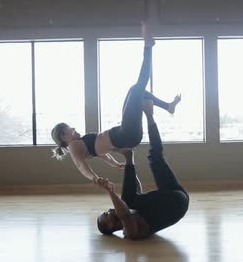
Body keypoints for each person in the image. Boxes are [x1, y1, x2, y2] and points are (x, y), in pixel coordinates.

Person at [51, 22, 181, 185]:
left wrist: (115, 164)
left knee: (136, 91)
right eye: (71, 129)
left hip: (126, 134)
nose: (75, 129)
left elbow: (103, 153)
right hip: (126, 134)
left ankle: (168, 106)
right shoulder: (74, 147)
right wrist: (95, 178)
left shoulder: (82, 144)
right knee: (137, 88)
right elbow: (81, 166)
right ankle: (148, 47)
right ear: (64, 135)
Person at [95, 99, 189, 240]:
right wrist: (110, 191)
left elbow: (136, 191)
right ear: (110, 227)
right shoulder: (130, 232)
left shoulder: (133, 213)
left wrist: (129, 170)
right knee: (127, 200)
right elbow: (125, 214)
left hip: (175, 194)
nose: (108, 210)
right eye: (106, 215)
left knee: (155, 157)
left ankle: (149, 115)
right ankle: (129, 156)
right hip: (176, 203)